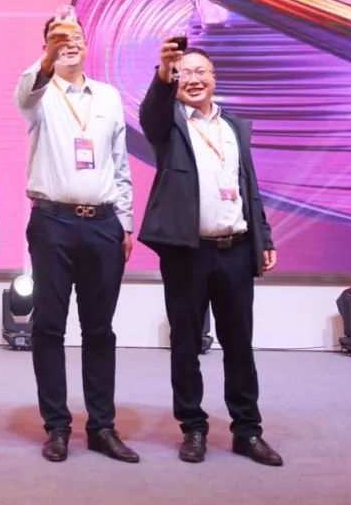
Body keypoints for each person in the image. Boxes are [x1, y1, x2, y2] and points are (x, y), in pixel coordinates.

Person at [139, 41, 282, 466]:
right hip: (187, 253)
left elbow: (248, 186)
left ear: (214, 78)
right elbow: (152, 111)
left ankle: (247, 430)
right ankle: (193, 428)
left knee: (240, 344)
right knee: (186, 344)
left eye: (201, 71)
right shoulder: (168, 123)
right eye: (185, 73)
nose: (194, 79)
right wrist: (164, 72)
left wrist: (264, 237)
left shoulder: (233, 127)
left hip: (234, 248)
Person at [13, 6, 137, 463]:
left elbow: (119, 164)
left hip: (103, 224)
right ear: (46, 47)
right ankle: (57, 426)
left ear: (87, 44)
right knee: (48, 326)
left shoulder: (108, 97)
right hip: (53, 223)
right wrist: (46, 59)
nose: (69, 43)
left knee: (99, 329)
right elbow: (24, 94)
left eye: (76, 36)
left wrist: (124, 221)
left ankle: (102, 426)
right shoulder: (39, 93)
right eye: (58, 37)